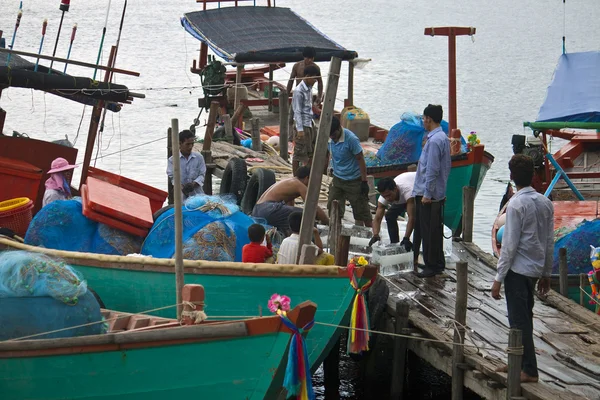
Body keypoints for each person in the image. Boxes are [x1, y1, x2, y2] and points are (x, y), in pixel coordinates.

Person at [491, 154, 553, 383]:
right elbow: (549, 240)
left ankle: (529, 370)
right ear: (533, 176)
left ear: (511, 177)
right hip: (534, 269)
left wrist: (498, 278)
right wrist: (546, 273)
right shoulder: (545, 202)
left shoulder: (516, 204)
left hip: (518, 270)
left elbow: (509, 246)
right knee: (524, 317)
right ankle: (515, 361)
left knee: (519, 321)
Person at [412, 104, 451, 278]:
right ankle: (438, 262)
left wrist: (427, 194)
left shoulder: (435, 141)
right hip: (438, 192)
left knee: (428, 230)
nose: (423, 121)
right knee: (435, 229)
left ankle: (430, 264)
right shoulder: (442, 137)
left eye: (424, 118)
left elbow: (432, 169)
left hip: (429, 193)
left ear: (428, 119)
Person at [252, 166, 329, 236]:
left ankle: (288, 236)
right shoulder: (298, 184)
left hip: (258, 210)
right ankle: (309, 238)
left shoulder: (291, 182)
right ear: (307, 178)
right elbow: (313, 206)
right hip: (268, 209)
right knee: (303, 215)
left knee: (294, 217)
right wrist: (327, 222)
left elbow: (290, 207)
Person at [327, 116, 372, 227]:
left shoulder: (351, 139)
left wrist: (364, 181)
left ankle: (371, 235)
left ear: (339, 129)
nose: (332, 138)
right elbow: (326, 154)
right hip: (338, 179)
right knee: (333, 207)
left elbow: (360, 159)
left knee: (362, 211)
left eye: (333, 135)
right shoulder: (329, 137)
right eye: (330, 136)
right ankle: (335, 231)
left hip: (354, 180)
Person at [369, 171, 417, 255]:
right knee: (390, 216)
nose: (387, 198)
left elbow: (411, 217)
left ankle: (415, 251)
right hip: (402, 196)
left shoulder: (407, 191)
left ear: (395, 189)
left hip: (417, 191)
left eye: (389, 195)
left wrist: (406, 238)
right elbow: (377, 218)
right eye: (384, 196)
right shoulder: (384, 197)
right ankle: (395, 244)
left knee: (418, 222)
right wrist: (375, 235)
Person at [291, 64, 320, 174]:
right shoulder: (299, 91)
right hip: (302, 124)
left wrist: (316, 110)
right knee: (298, 153)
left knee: (311, 151)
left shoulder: (309, 89)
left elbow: (308, 105)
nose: (315, 81)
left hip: (310, 122)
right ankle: (295, 177)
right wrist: (300, 130)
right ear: (307, 76)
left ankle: (308, 175)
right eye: (314, 78)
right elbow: (297, 110)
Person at [167, 130, 206, 200]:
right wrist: (182, 188)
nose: (190, 147)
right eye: (187, 144)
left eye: (192, 144)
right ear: (180, 144)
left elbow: (202, 175)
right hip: (181, 197)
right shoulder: (172, 160)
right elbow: (173, 177)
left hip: (198, 196)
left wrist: (193, 185)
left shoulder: (199, 157)